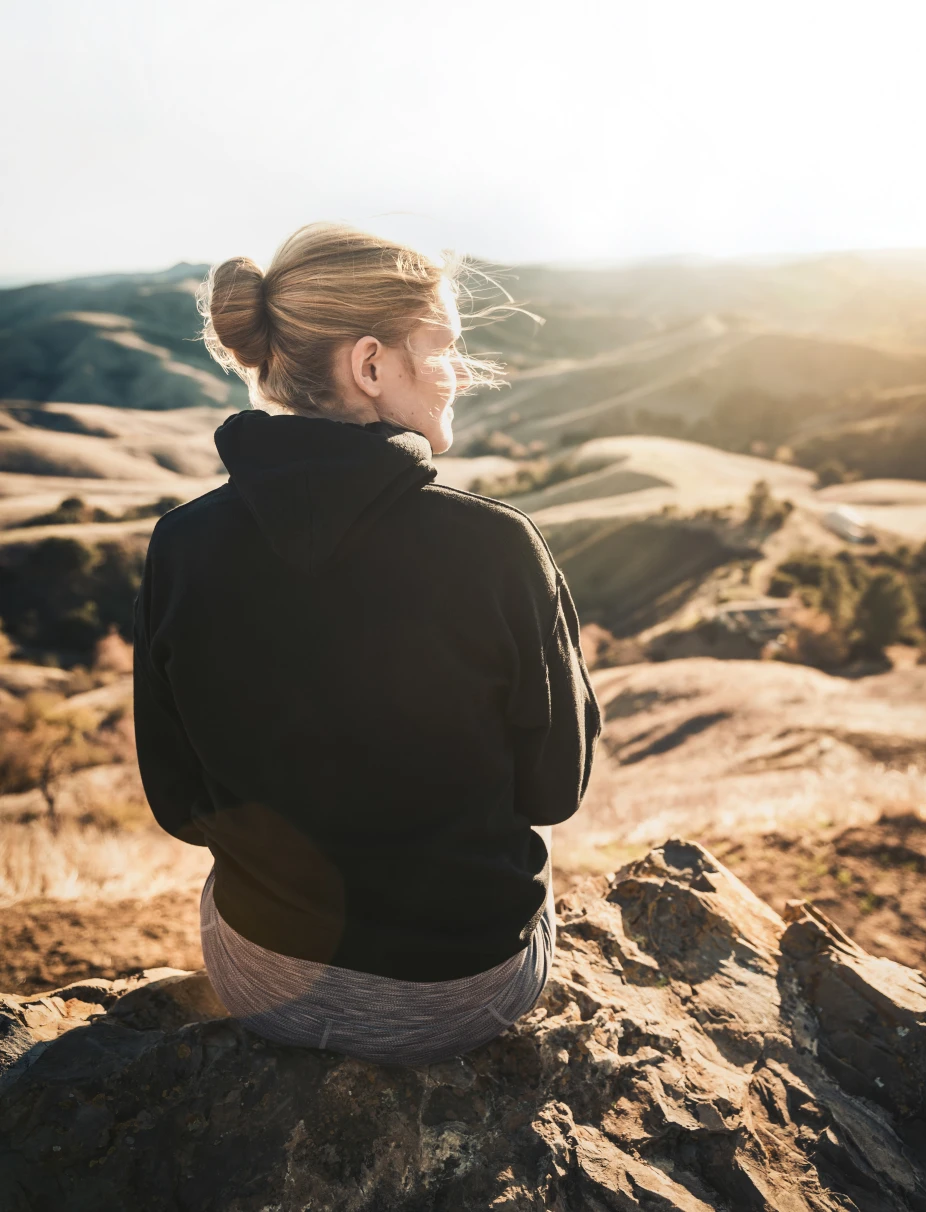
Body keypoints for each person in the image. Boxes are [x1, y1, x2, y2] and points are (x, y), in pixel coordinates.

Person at [132, 222, 602, 1066]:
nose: (458, 372)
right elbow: (554, 790)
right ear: (372, 365)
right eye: (445, 347)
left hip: (260, 979)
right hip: (462, 992)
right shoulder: (494, 547)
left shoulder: (182, 543)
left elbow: (177, 804)